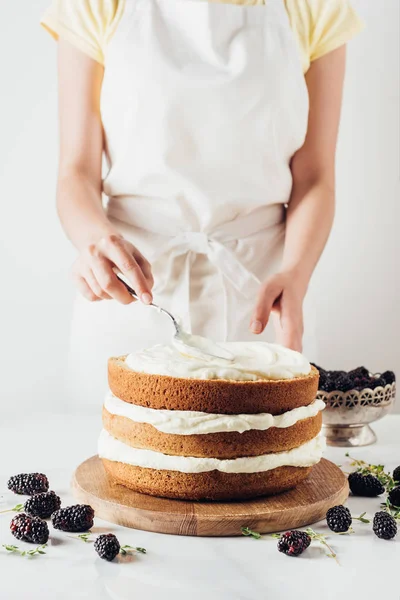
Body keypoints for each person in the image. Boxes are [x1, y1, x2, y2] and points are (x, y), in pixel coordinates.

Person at [41, 0, 363, 408]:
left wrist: (296, 272)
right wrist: (94, 240)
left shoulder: (316, 8)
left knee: (264, 457)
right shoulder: (95, 5)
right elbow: (75, 173)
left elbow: (315, 176)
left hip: (262, 293)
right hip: (130, 287)